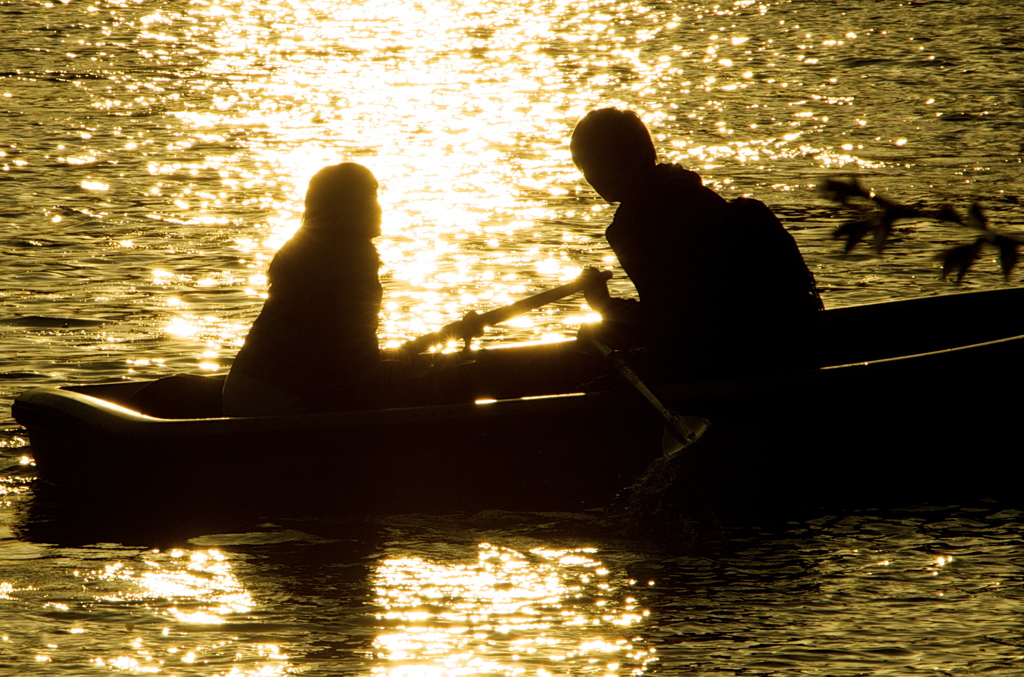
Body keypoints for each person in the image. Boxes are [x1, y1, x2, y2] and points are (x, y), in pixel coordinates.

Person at [570, 108, 823, 380]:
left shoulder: (639, 223)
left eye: (599, 163)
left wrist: (605, 306)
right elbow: (675, 308)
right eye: (586, 166)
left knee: (593, 339)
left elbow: (675, 324)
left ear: (633, 157)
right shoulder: (689, 190)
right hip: (782, 343)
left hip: (731, 356)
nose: (592, 176)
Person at [222, 162, 414, 416]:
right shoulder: (352, 260)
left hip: (241, 388)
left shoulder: (300, 248)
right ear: (349, 207)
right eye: (371, 198)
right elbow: (358, 356)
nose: (379, 208)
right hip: (282, 400)